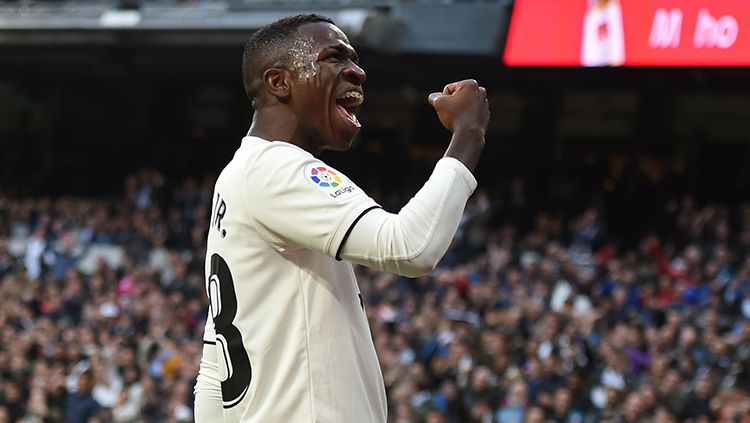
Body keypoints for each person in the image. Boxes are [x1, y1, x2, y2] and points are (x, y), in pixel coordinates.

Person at [193, 13, 489, 422]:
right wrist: (468, 134)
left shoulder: (239, 173)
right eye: (334, 58)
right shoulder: (279, 168)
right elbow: (411, 247)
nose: (358, 72)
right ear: (280, 82)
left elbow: (213, 365)